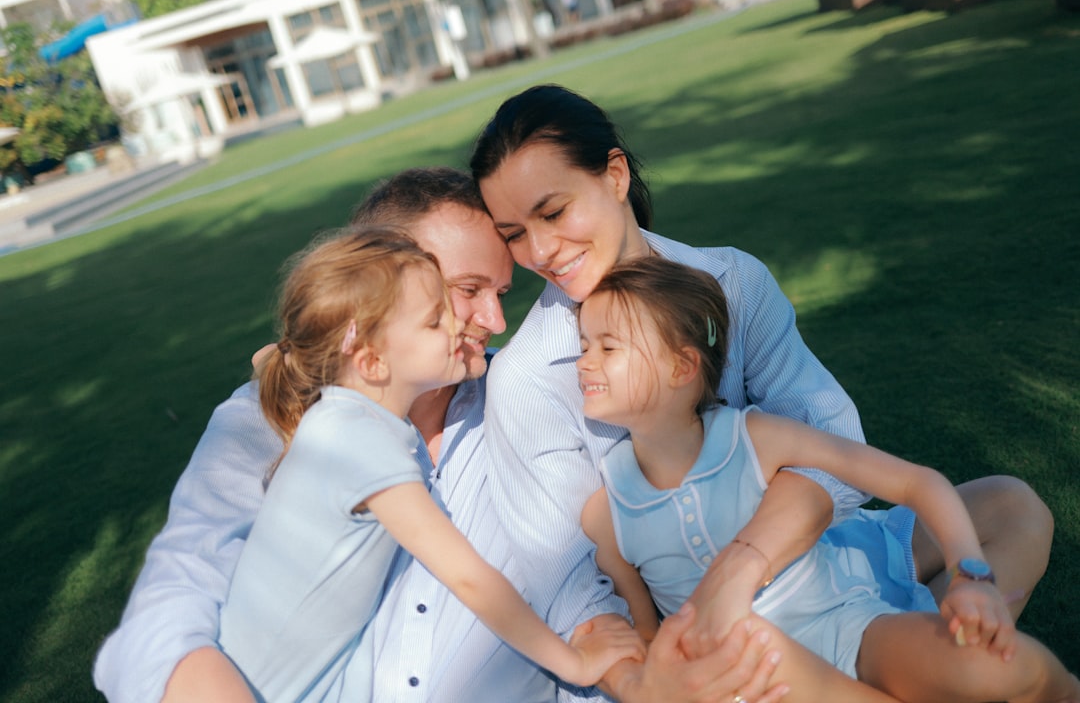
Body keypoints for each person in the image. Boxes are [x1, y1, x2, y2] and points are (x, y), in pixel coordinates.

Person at [94, 167, 788, 703]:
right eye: (462, 292)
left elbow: (571, 579)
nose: (491, 319)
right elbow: (166, 614)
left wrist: (640, 679)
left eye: (501, 294)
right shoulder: (263, 422)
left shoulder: (512, 410)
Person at [468, 83, 1054, 691]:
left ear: (614, 175)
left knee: (1012, 508)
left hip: (818, 566)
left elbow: (832, 435)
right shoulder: (530, 379)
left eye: (554, 212)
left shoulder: (733, 280)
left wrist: (746, 561)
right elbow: (572, 589)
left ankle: (912, 664)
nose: (539, 250)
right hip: (714, 633)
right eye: (513, 233)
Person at [577, 256, 1080, 703]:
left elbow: (915, 483)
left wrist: (972, 578)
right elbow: (648, 635)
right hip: (757, 681)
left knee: (994, 668)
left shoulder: (753, 437)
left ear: (680, 365)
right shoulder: (606, 512)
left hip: (849, 627)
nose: (585, 362)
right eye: (583, 344)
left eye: (608, 346)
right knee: (754, 643)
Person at [215, 226, 646, 699]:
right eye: (432, 322)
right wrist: (577, 664)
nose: (458, 329)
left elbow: (273, 357)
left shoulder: (335, 411)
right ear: (372, 359)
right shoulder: (359, 442)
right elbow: (470, 578)